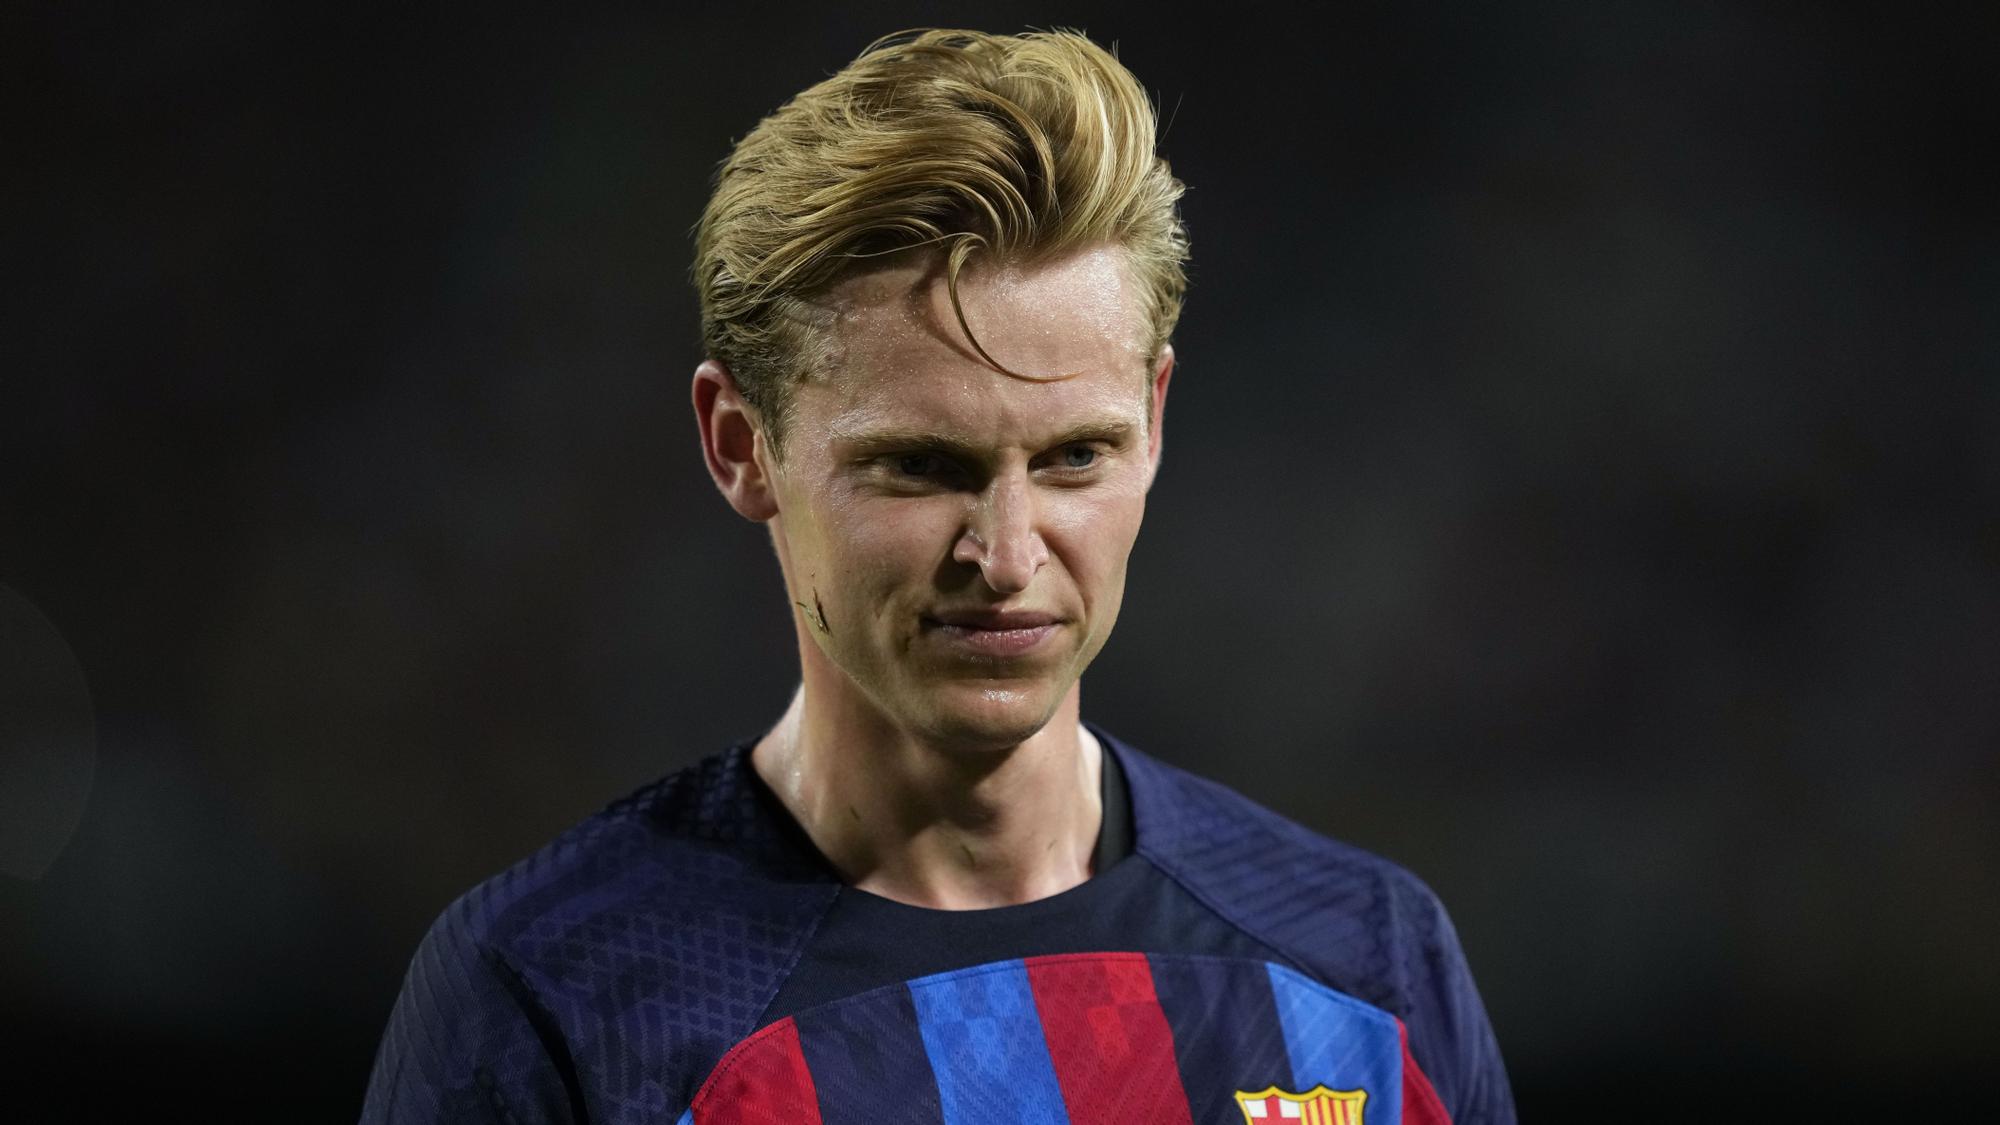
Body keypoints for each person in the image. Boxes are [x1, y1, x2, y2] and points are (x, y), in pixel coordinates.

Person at [362, 28, 1514, 1125]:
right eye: (917, 467)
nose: (1006, 558)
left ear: (1153, 421)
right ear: (739, 445)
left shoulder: (1363, 959)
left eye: (1075, 457)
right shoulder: (551, 991)